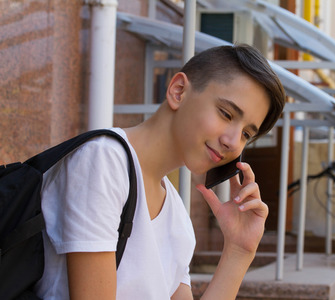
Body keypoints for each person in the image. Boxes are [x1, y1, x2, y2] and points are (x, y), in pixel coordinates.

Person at [35, 44, 285, 299]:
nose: (233, 142)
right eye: (226, 113)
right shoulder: (104, 161)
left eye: (246, 134)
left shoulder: (176, 215)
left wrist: (239, 251)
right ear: (178, 91)